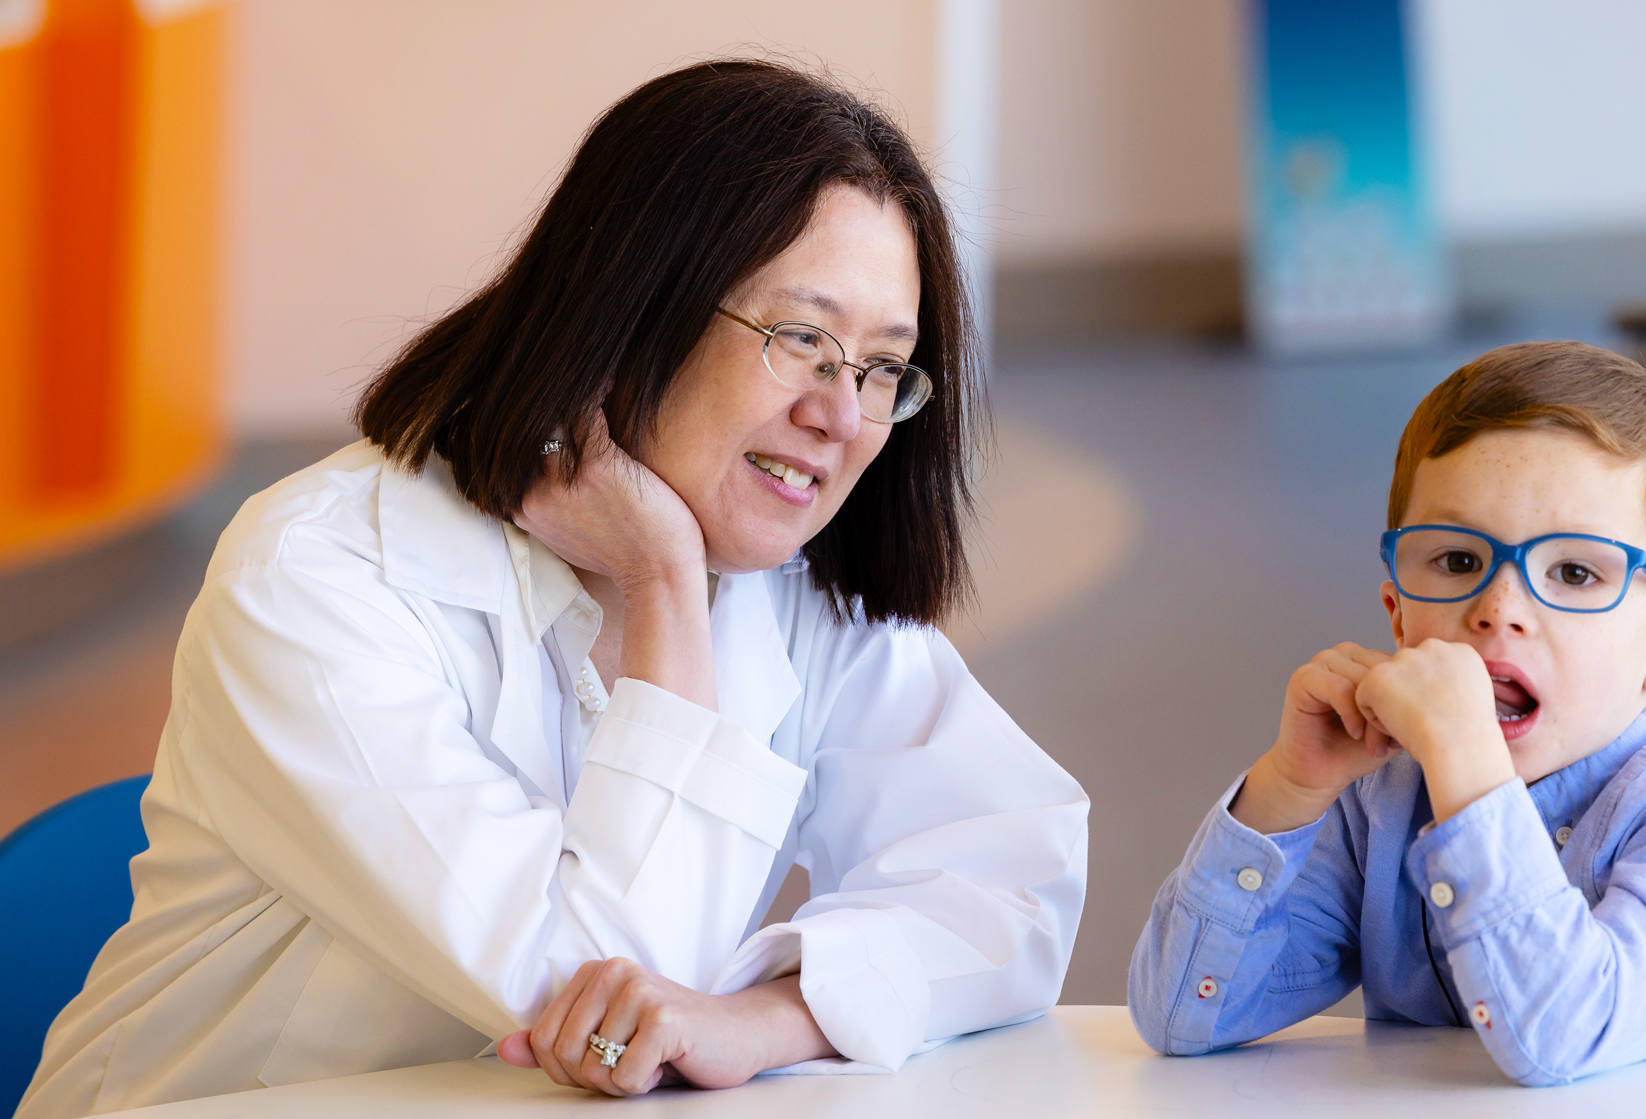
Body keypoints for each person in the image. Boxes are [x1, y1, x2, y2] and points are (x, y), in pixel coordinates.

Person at [20, 61, 1087, 1117]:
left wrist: (773, 1016)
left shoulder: (789, 586)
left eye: (879, 368)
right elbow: (594, 991)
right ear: (631, 307)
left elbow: (1011, 883)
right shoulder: (319, 574)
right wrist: (660, 581)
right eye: (799, 340)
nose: (843, 417)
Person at [1127, 341, 1646, 1085]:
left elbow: (1561, 1034)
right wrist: (1289, 789)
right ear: (1398, 616)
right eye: (1460, 561)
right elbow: (1182, 1016)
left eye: (1574, 571)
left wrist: (1467, 767)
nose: (1499, 611)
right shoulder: (1379, 801)